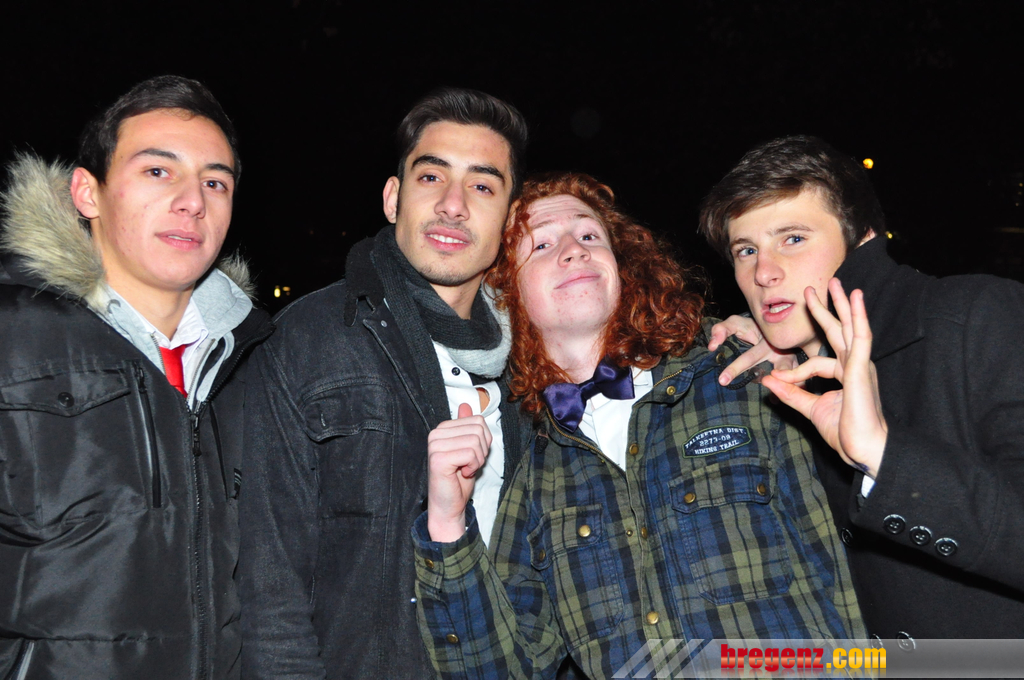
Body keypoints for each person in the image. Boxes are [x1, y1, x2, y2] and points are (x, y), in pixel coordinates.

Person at [414, 172, 863, 679]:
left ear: (623, 267)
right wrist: (446, 522)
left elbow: (862, 547)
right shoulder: (534, 474)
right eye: (541, 245)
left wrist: (796, 341)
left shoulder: (741, 376)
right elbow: (496, 670)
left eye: (589, 235)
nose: (574, 250)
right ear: (506, 296)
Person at [239, 87, 532, 678]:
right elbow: (268, 582)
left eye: (482, 186)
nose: (453, 205)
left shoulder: (534, 360)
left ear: (510, 217)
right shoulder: (309, 338)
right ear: (394, 197)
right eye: (432, 177)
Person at [699, 134, 1024, 640]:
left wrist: (884, 454)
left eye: (793, 238)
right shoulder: (776, 383)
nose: (763, 272)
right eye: (746, 250)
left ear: (864, 239)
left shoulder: (975, 316)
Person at [0, 75, 271, 680]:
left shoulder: (256, 361)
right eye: (157, 171)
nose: (192, 201)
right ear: (87, 193)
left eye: (215, 182)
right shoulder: (13, 334)